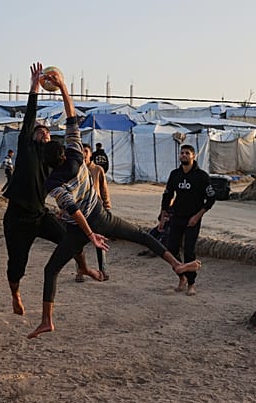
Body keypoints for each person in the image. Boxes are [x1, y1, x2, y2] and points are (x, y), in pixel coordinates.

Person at [28, 69, 200, 339]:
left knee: (51, 270)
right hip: (101, 216)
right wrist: (62, 86)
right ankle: (176, 265)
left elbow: (72, 209)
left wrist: (90, 236)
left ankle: (47, 320)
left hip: (81, 226)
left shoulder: (52, 183)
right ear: (64, 151)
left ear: (47, 163)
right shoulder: (76, 152)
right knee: (142, 236)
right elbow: (71, 114)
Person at [2, 62, 99, 316]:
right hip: (16, 219)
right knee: (16, 267)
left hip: (39, 215)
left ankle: (83, 268)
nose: (44, 133)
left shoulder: (53, 163)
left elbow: (67, 178)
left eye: (47, 132)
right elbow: (30, 118)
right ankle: (15, 293)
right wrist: (34, 86)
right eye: (40, 131)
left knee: (72, 240)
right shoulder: (25, 149)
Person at [161, 144, 216, 296]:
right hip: (177, 216)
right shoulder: (175, 174)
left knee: (189, 251)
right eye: (182, 153)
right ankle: (182, 276)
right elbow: (168, 194)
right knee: (171, 249)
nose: (184, 155)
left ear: (194, 156)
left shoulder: (201, 176)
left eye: (187, 153)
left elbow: (211, 198)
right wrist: (163, 214)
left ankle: (191, 284)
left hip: (193, 218)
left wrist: (198, 216)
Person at [80, 144, 111, 281]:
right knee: (78, 242)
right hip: (80, 210)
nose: (83, 153)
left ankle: (103, 270)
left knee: (100, 241)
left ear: (91, 154)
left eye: (86, 151)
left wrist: (107, 207)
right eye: (81, 151)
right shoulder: (76, 169)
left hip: (97, 210)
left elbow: (104, 190)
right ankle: (81, 270)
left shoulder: (98, 170)